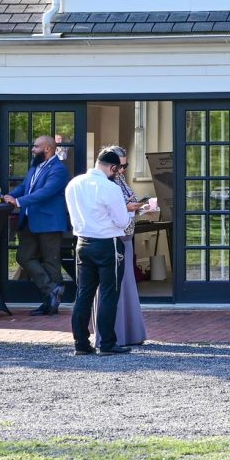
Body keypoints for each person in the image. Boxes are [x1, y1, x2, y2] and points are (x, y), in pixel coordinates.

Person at [65, 147, 133, 356]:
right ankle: (107, 342)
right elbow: (122, 220)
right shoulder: (109, 187)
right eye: (118, 169)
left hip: (82, 242)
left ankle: (81, 342)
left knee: (83, 293)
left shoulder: (74, 183)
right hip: (107, 243)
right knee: (108, 293)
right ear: (112, 167)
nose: (119, 173)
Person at [2, 135, 71, 316]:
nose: (33, 149)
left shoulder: (59, 169)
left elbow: (45, 193)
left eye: (36, 146)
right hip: (29, 221)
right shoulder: (36, 167)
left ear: (47, 148)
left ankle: (50, 305)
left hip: (49, 222)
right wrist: (8, 197)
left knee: (51, 263)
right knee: (23, 257)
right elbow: (25, 187)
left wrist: (18, 202)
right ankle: (51, 291)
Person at [90, 146, 148, 348]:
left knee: (127, 286)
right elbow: (106, 210)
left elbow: (127, 204)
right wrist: (128, 209)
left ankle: (130, 333)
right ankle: (112, 336)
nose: (122, 170)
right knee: (111, 288)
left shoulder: (119, 180)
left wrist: (140, 208)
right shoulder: (102, 183)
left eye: (125, 166)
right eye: (119, 166)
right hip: (112, 238)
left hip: (126, 235)